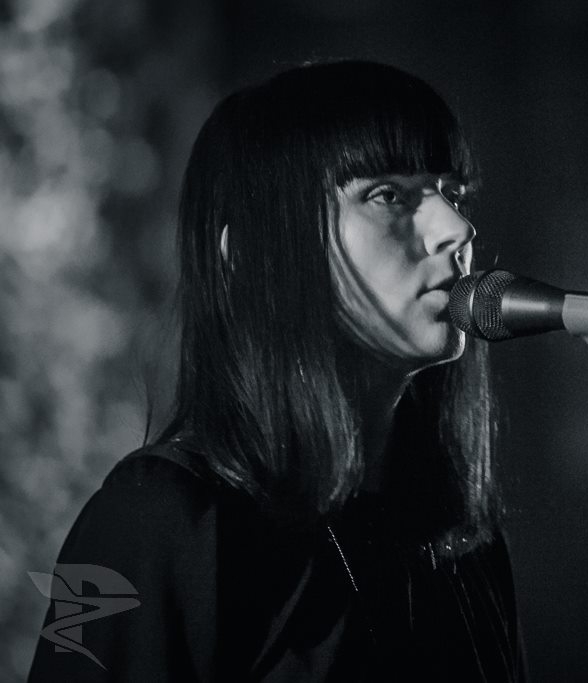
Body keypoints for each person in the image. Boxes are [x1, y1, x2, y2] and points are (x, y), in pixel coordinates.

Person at [28, 60, 524, 682]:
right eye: (388, 195)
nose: (457, 228)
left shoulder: (459, 539)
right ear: (252, 254)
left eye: (452, 193)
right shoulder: (156, 520)